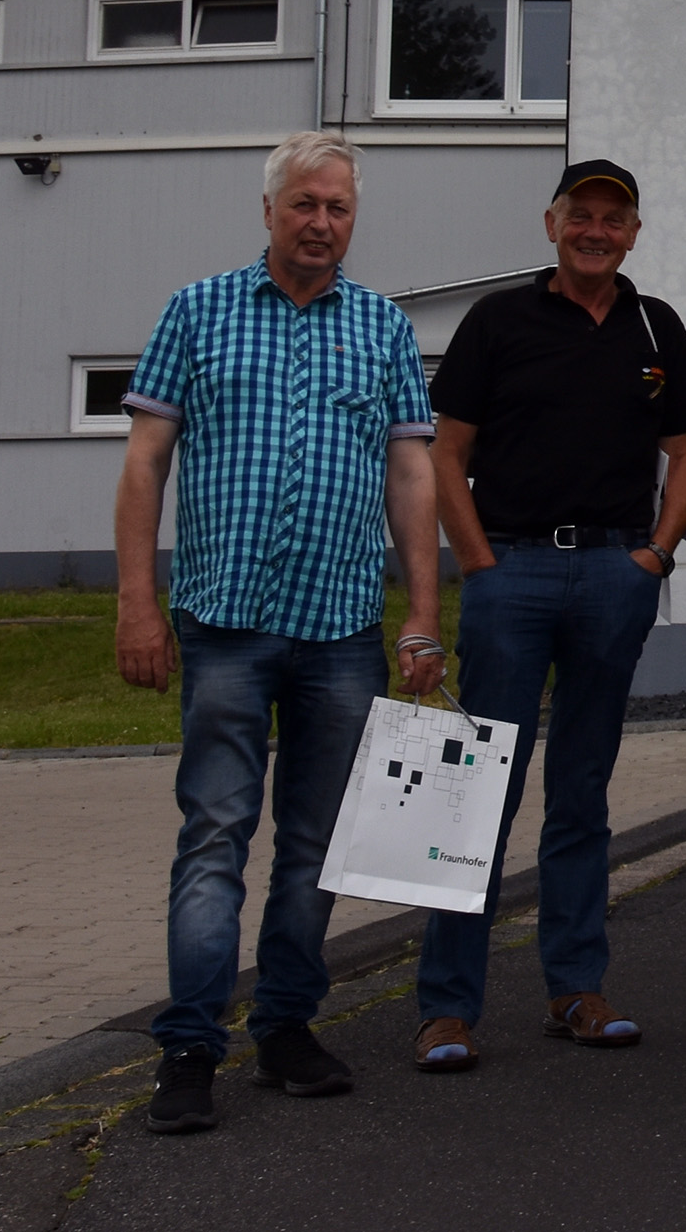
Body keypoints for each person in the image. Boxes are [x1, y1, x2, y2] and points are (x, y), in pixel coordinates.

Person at [111, 133, 444, 1136]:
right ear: (269, 211)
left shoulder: (382, 327)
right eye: (305, 204)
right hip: (223, 623)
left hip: (341, 630)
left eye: (338, 208)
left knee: (314, 845)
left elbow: (413, 474)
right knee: (215, 837)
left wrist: (424, 615)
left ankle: (289, 1027)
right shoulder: (197, 310)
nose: (322, 223)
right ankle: (189, 1047)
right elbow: (144, 464)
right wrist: (137, 600)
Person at [412, 159, 686, 1070]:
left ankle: (576, 989)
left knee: (582, 793)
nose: (595, 230)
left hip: (613, 576)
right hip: (514, 574)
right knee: (479, 794)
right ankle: (446, 1008)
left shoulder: (655, 325)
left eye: (613, 218)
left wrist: (655, 557)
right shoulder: (499, 322)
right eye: (579, 214)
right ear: (551, 225)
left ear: (632, 232)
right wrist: (479, 565)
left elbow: (685, 457)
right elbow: (445, 452)